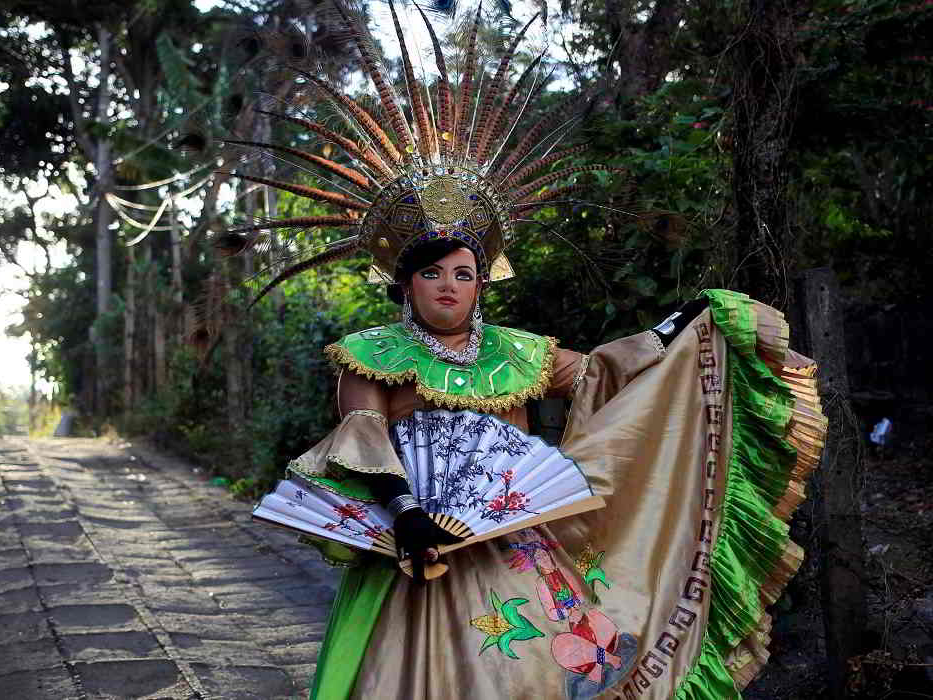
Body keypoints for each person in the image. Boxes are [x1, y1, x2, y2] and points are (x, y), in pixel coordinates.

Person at [203, 3, 827, 697]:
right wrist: (408, 515)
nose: (449, 286)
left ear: (482, 284)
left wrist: (673, 337)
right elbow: (363, 435)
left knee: (532, 671)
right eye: (432, 272)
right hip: (419, 554)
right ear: (406, 284)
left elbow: (608, 379)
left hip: (517, 553)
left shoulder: (522, 354)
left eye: (463, 273)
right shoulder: (370, 353)